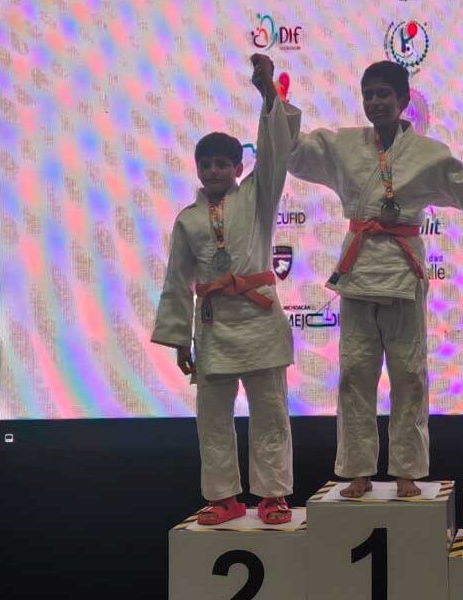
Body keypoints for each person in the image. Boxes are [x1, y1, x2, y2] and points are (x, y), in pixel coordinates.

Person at [288, 60, 463, 498]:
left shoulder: (428, 155)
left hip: (402, 274)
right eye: (368, 94)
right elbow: (296, 154)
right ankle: (357, 471)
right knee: (355, 374)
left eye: (383, 94)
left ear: (404, 100)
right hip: (358, 275)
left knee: (409, 375)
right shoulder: (343, 146)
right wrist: (271, 99)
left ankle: (407, 471)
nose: (375, 102)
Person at [151, 54, 302, 525]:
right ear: (198, 169)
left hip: (258, 320)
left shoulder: (258, 196)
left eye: (223, 163)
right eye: (207, 164)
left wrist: (268, 94)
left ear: (240, 166)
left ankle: (273, 495)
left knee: (270, 413)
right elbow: (177, 282)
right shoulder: (188, 220)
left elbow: (276, 150)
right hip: (214, 327)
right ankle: (224, 498)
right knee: (213, 419)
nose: (215, 171)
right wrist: (179, 341)